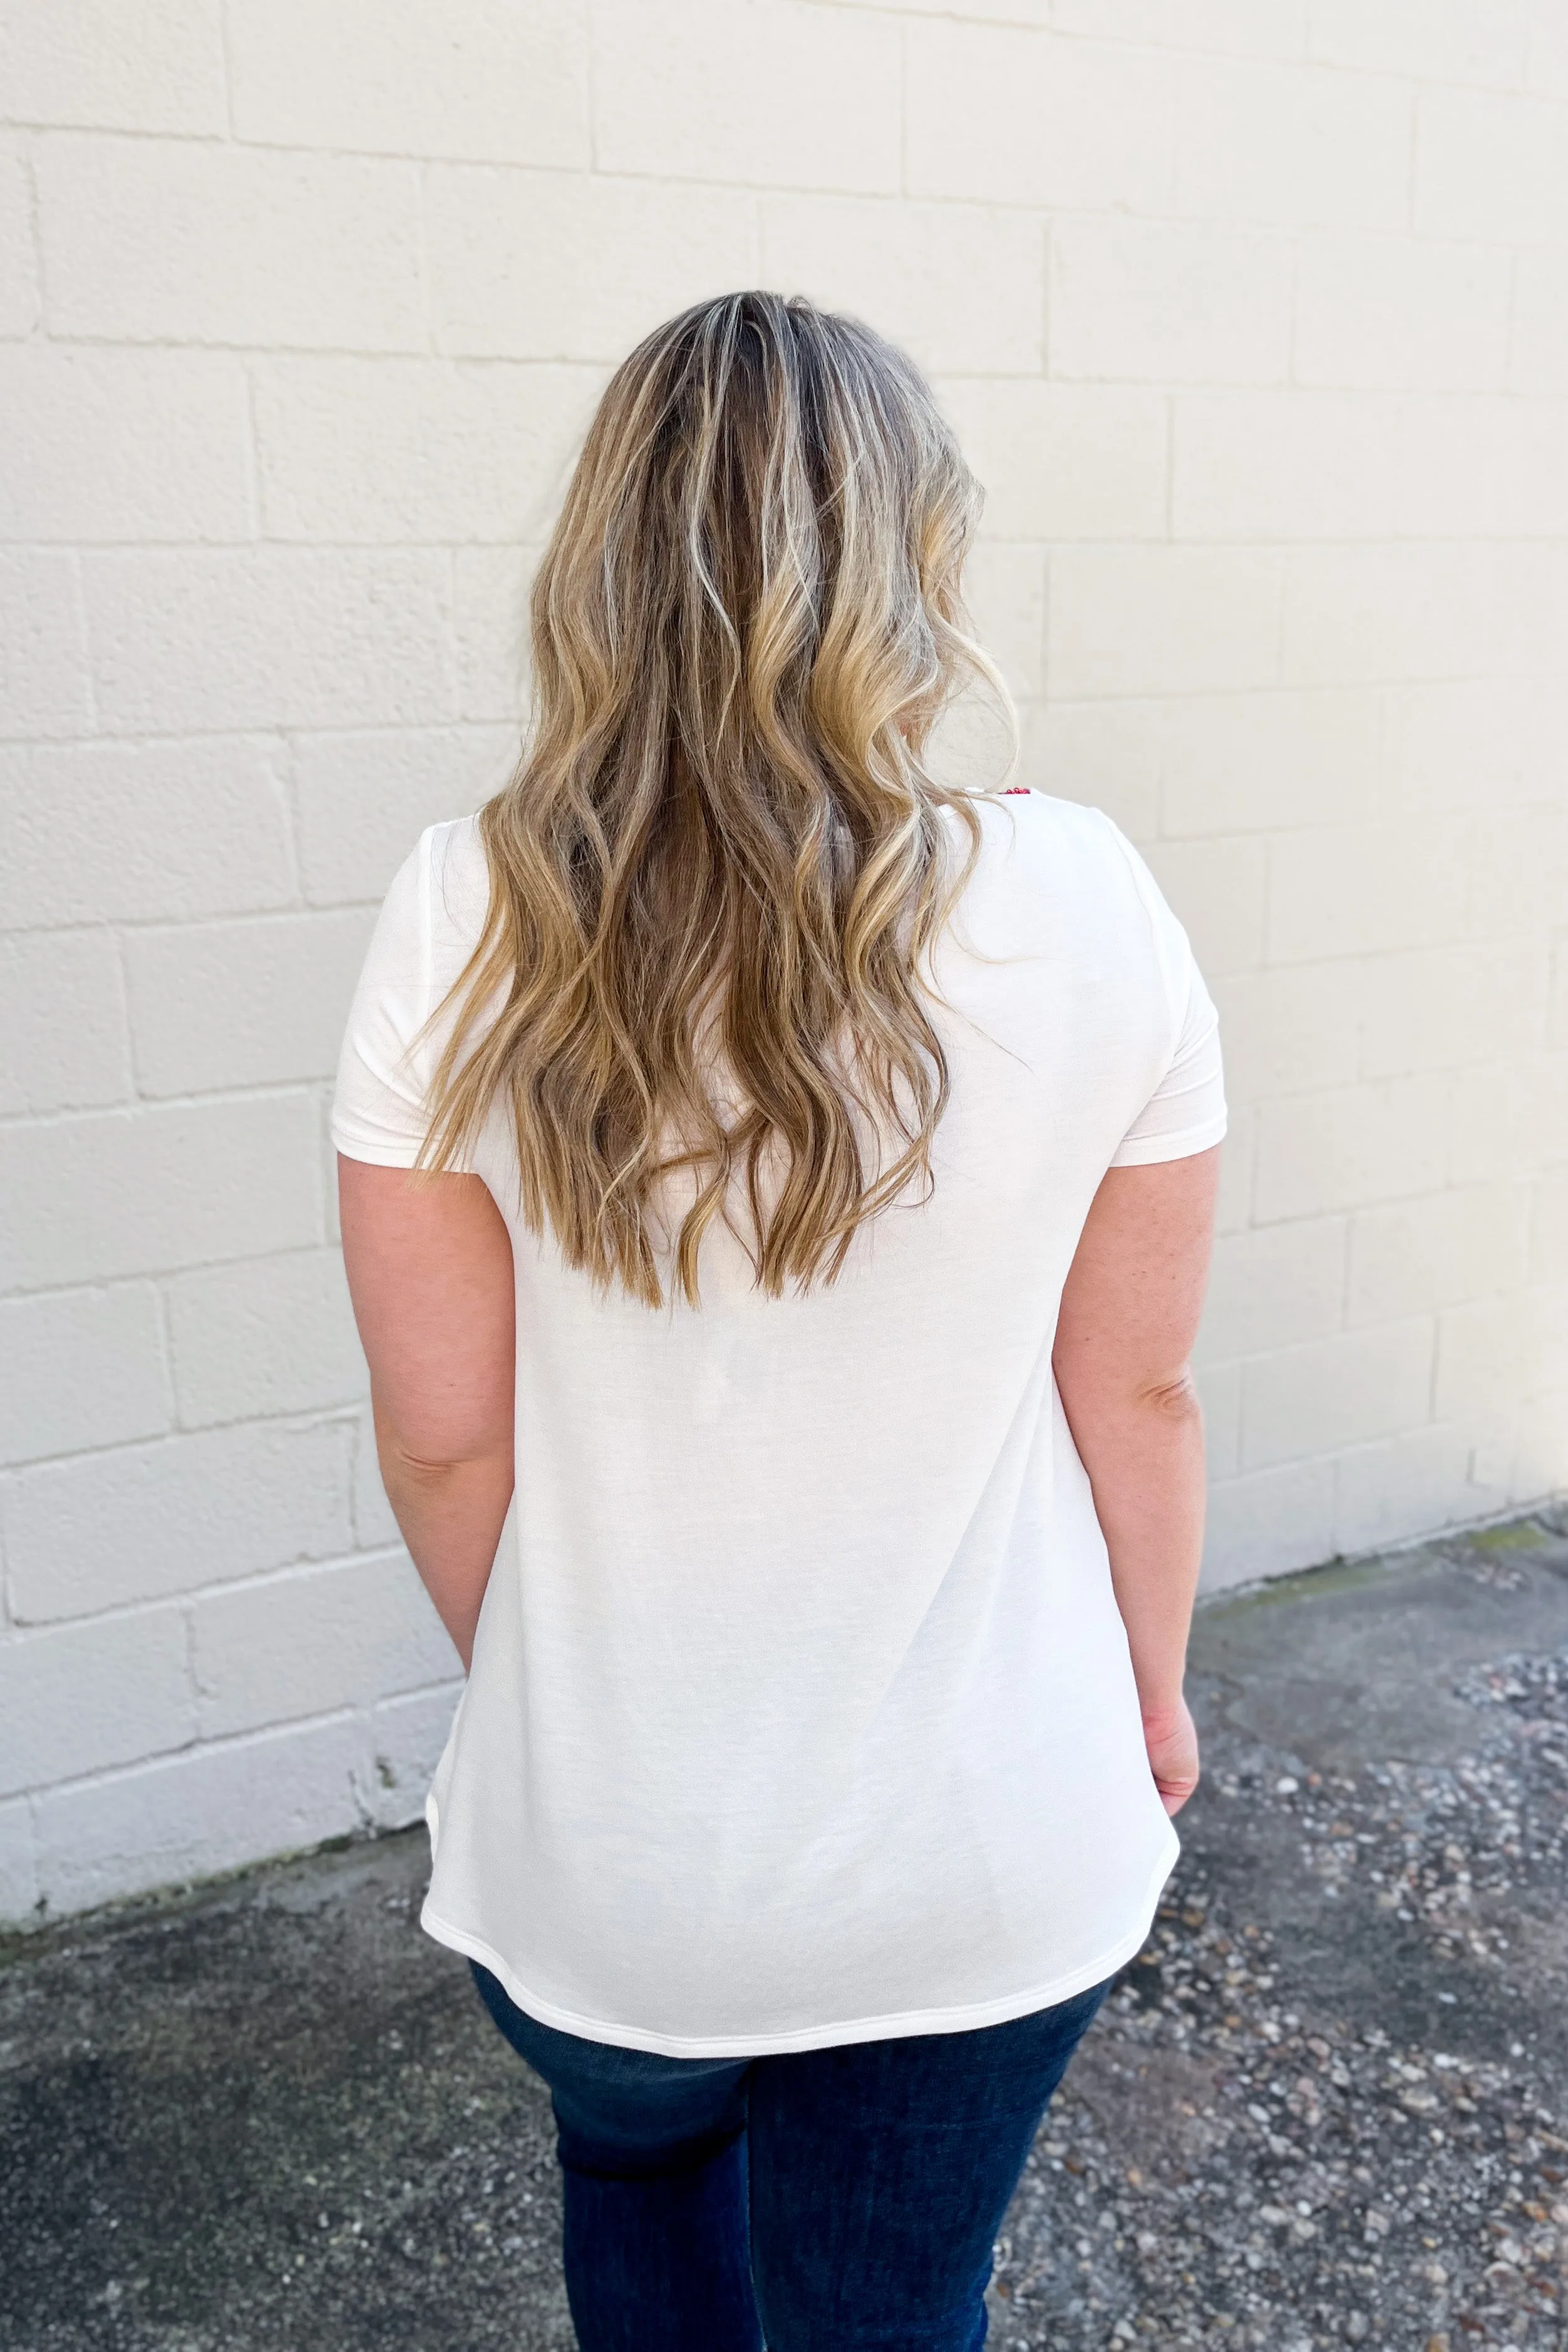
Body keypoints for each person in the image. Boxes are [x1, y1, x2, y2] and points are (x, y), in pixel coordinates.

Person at [334, 291, 1224, 2351]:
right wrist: (1149, 1688)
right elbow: (1144, 1388)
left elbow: (452, 1439)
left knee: (644, 2175)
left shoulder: (464, 911)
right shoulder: (1088, 898)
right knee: (891, 2301)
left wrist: (574, 1697)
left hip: (609, 1867)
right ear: (916, 572)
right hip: (989, 1845)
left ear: (604, 568)